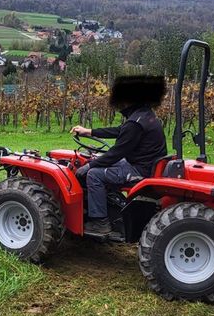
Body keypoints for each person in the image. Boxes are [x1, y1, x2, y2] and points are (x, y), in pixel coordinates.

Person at [71, 75, 167, 234]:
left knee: (94, 175)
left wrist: (89, 165)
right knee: (102, 164)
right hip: (146, 165)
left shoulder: (135, 123)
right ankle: (106, 204)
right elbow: (121, 131)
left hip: (139, 170)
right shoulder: (145, 115)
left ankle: (100, 222)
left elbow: (115, 153)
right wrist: (89, 131)